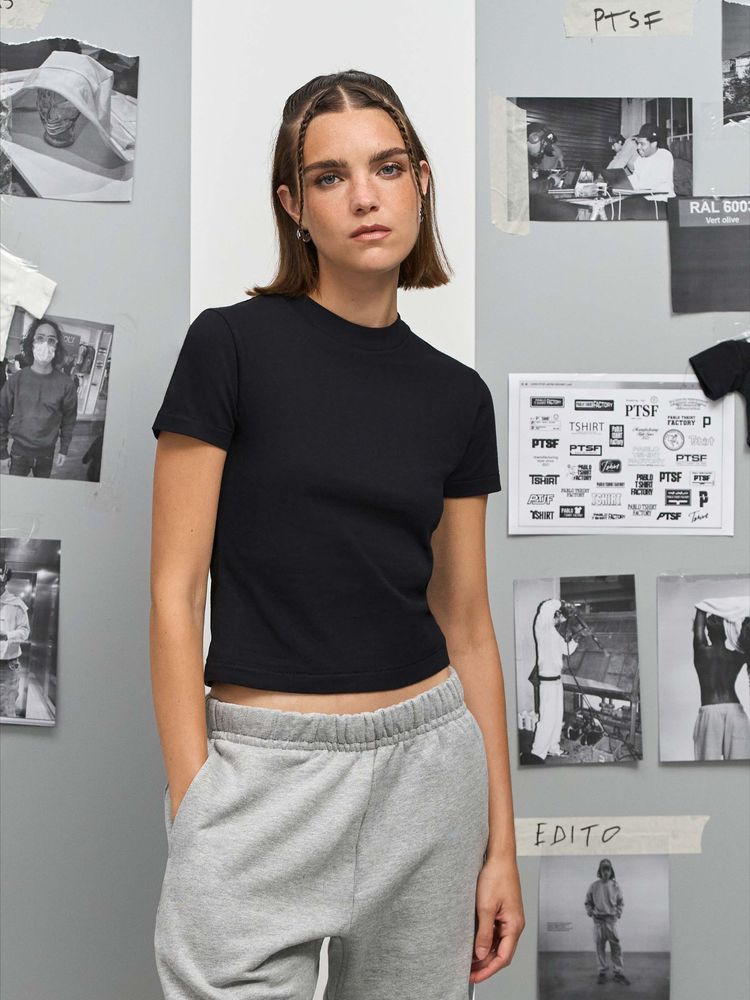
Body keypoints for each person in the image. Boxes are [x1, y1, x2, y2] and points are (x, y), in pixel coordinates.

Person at [150, 70, 524, 997]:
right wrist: (196, 799)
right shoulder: (229, 347)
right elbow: (174, 592)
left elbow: (469, 624)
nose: (365, 196)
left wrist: (501, 847)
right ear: (294, 205)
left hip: (430, 775)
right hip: (262, 775)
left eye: (387, 167)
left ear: (421, 183)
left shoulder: (458, 396)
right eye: (330, 176)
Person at [0, 318, 78, 477]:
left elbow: (69, 419)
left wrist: (64, 449)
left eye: (51, 340)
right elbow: (1, 416)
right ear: (32, 343)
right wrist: (2, 452)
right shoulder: (16, 380)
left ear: (56, 346)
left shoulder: (67, 385)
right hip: (19, 452)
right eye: (40, 338)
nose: (45, 344)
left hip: (47, 454)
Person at [522, 599, 578, 764]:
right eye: (562, 617)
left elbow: (567, 650)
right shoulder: (542, 626)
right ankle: (537, 753)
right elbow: (546, 607)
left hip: (557, 682)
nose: (563, 621)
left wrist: (576, 639)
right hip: (547, 683)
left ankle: (553, 747)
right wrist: (562, 603)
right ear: (556, 613)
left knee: (556, 718)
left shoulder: (554, 633)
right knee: (546, 719)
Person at [691, 605, 750, 760]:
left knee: (708, 768)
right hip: (735, 712)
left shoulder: (701, 652)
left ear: (707, 632)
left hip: (710, 712)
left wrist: (704, 605)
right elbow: (747, 632)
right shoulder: (737, 656)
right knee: (739, 767)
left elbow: (698, 626)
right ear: (726, 632)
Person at [584, 858, 630, 986]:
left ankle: (618, 973)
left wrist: (618, 913)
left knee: (616, 947)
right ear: (600, 871)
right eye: (603, 869)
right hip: (598, 922)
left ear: (611, 871)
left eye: (608, 869)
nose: (605, 872)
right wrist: (591, 912)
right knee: (600, 948)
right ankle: (602, 973)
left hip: (611, 921)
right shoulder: (594, 886)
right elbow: (588, 902)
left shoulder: (615, 886)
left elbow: (621, 902)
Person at [620, 122, 675, 220]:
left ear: (654, 144)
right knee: (616, 207)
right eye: (638, 143)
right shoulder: (640, 159)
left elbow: (651, 183)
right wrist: (621, 182)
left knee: (623, 211)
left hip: (661, 202)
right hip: (643, 200)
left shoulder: (664, 155)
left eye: (642, 144)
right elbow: (636, 178)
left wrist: (629, 186)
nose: (638, 147)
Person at [0, 564, 30, 719]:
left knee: (5, 710)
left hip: (7, 665)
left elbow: (25, 632)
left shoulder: (16, 605)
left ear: (5, 581)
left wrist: (7, 635)